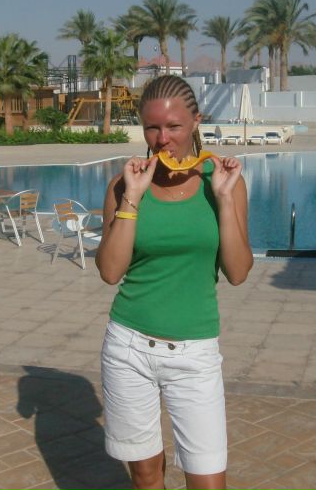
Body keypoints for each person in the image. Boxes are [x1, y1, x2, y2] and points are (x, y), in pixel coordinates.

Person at [96, 75, 253, 490]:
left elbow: (238, 272)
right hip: (128, 348)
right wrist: (132, 196)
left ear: (196, 122)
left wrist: (223, 199)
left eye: (174, 126)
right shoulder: (124, 184)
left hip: (195, 353)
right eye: (152, 127)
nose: (162, 139)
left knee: (208, 481)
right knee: (147, 477)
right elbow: (110, 271)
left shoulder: (224, 184)